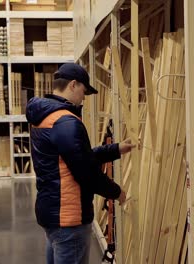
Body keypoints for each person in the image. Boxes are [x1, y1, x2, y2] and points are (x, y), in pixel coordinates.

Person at [26, 63, 133, 264]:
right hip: (70, 219)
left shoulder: (43, 117)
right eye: (84, 91)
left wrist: (116, 149)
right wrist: (117, 193)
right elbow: (87, 173)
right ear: (73, 85)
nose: (84, 98)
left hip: (52, 215)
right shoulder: (66, 122)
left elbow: (74, 158)